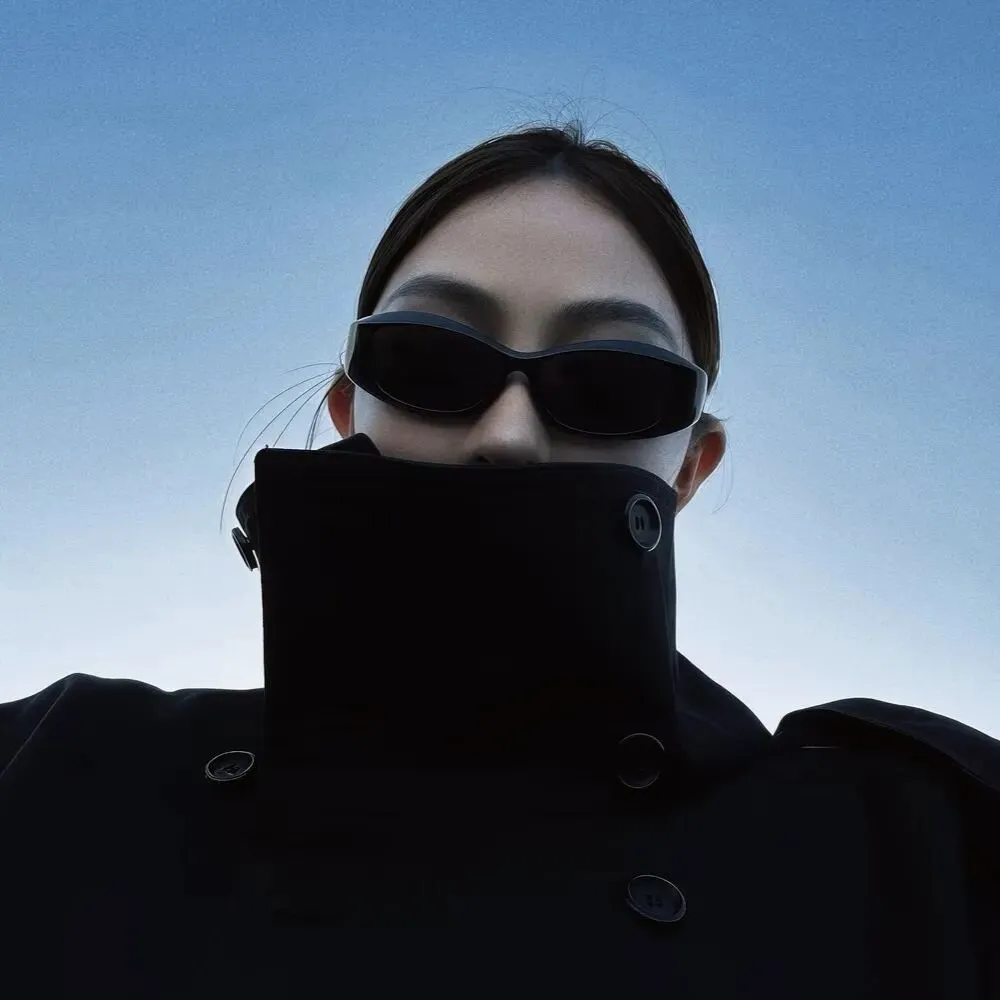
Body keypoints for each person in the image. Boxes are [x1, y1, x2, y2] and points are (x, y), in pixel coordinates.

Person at [2, 120, 998, 999]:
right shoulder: (64, 774)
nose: (509, 434)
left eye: (610, 381)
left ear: (691, 466)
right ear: (350, 408)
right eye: (432, 360)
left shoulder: (921, 850)